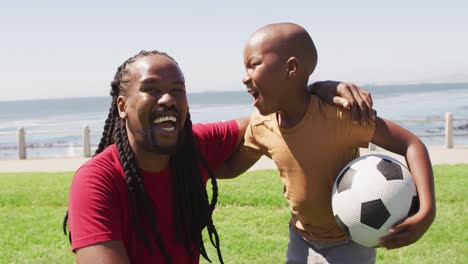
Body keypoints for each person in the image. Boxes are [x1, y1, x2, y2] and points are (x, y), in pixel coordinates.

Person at [63, 50, 374, 263]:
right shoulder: (97, 181)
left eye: (178, 89)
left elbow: (265, 121)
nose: (169, 99)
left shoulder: (189, 150)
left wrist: (313, 91)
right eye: (152, 89)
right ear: (122, 106)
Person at [217, 23, 436, 264]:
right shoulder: (261, 125)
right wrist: (185, 166)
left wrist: (426, 212)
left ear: (291, 68)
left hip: (350, 242)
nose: (244, 77)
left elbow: (411, 144)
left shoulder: (340, 116)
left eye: (253, 64)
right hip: (300, 238)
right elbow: (230, 168)